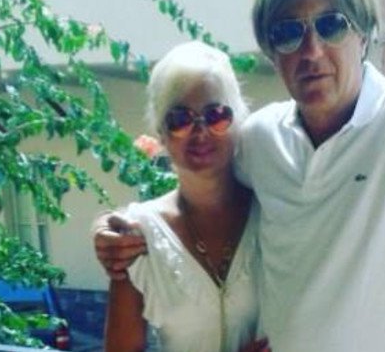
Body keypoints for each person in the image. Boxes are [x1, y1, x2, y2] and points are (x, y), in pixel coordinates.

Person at [94, 0, 385, 351]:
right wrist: (114, 231)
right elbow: (200, 191)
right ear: (271, 53)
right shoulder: (260, 141)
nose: (311, 51)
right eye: (288, 33)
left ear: (363, 34)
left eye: (331, 25)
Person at [101, 41, 269, 352]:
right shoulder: (139, 236)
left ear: (236, 122)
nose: (200, 132)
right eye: (180, 120)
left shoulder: (272, 211)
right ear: (161, 133)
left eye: (216, 115)